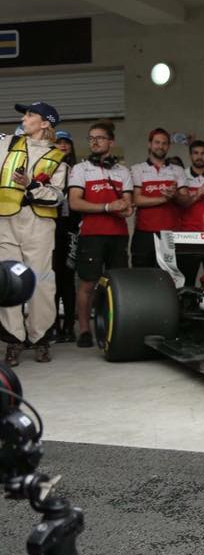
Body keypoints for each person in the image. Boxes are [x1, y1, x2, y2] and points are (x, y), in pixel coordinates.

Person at [0, 102, 67, 365]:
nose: (23, 118)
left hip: (38, 225)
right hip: (5, 222)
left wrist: (30, 186)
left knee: (41, 282)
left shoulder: (58, 158)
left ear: (45, 123)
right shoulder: (6, 143)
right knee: (8, 282)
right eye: (25, 114)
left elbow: (57, 196)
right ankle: (14, 340)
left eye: (30, 115)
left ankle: (40, 339)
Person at [68, 121, 134, 348]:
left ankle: (114, 328)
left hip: (118, 235)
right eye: (91, 138)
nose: (95, 141)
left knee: (118, 284)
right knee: (87, 284)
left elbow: (128, 204)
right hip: (91, 234)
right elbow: (74, 202)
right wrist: (107, 207)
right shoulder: (80, 169)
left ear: (111, 142)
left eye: (100, 137)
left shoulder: (123, 171)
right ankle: (85, 331)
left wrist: (126, 208)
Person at [131, 128, 189, 268]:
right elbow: (136, 200)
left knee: (168, 279)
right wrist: (164, 199)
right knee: (142, 278)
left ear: (168, 146)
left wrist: (175, 195)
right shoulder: (137, 169)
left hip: (170, 234)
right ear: (149, 144)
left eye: (164, 143)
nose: (160, 146)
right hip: (144, 233)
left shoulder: (178, 170)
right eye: (157, 142)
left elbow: (186, 201)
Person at [178, 140, 204, 286]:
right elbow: (180, 204)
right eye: (196, 153)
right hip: (188, 236)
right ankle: (187, 308)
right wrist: (197, 194)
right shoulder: (182, 176)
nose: (199, 157)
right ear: (190, 156)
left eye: (203, 153)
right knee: (187, 281)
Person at [51, 130, 80, 344]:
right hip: (49, 228)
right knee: (51, 279)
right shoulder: (47, 167)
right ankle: (52, 327)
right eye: (58, 142)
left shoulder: (78, 170)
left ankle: (69, 326)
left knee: (68, 279)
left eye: (66, 143)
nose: (62, 146)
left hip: (71, 229)